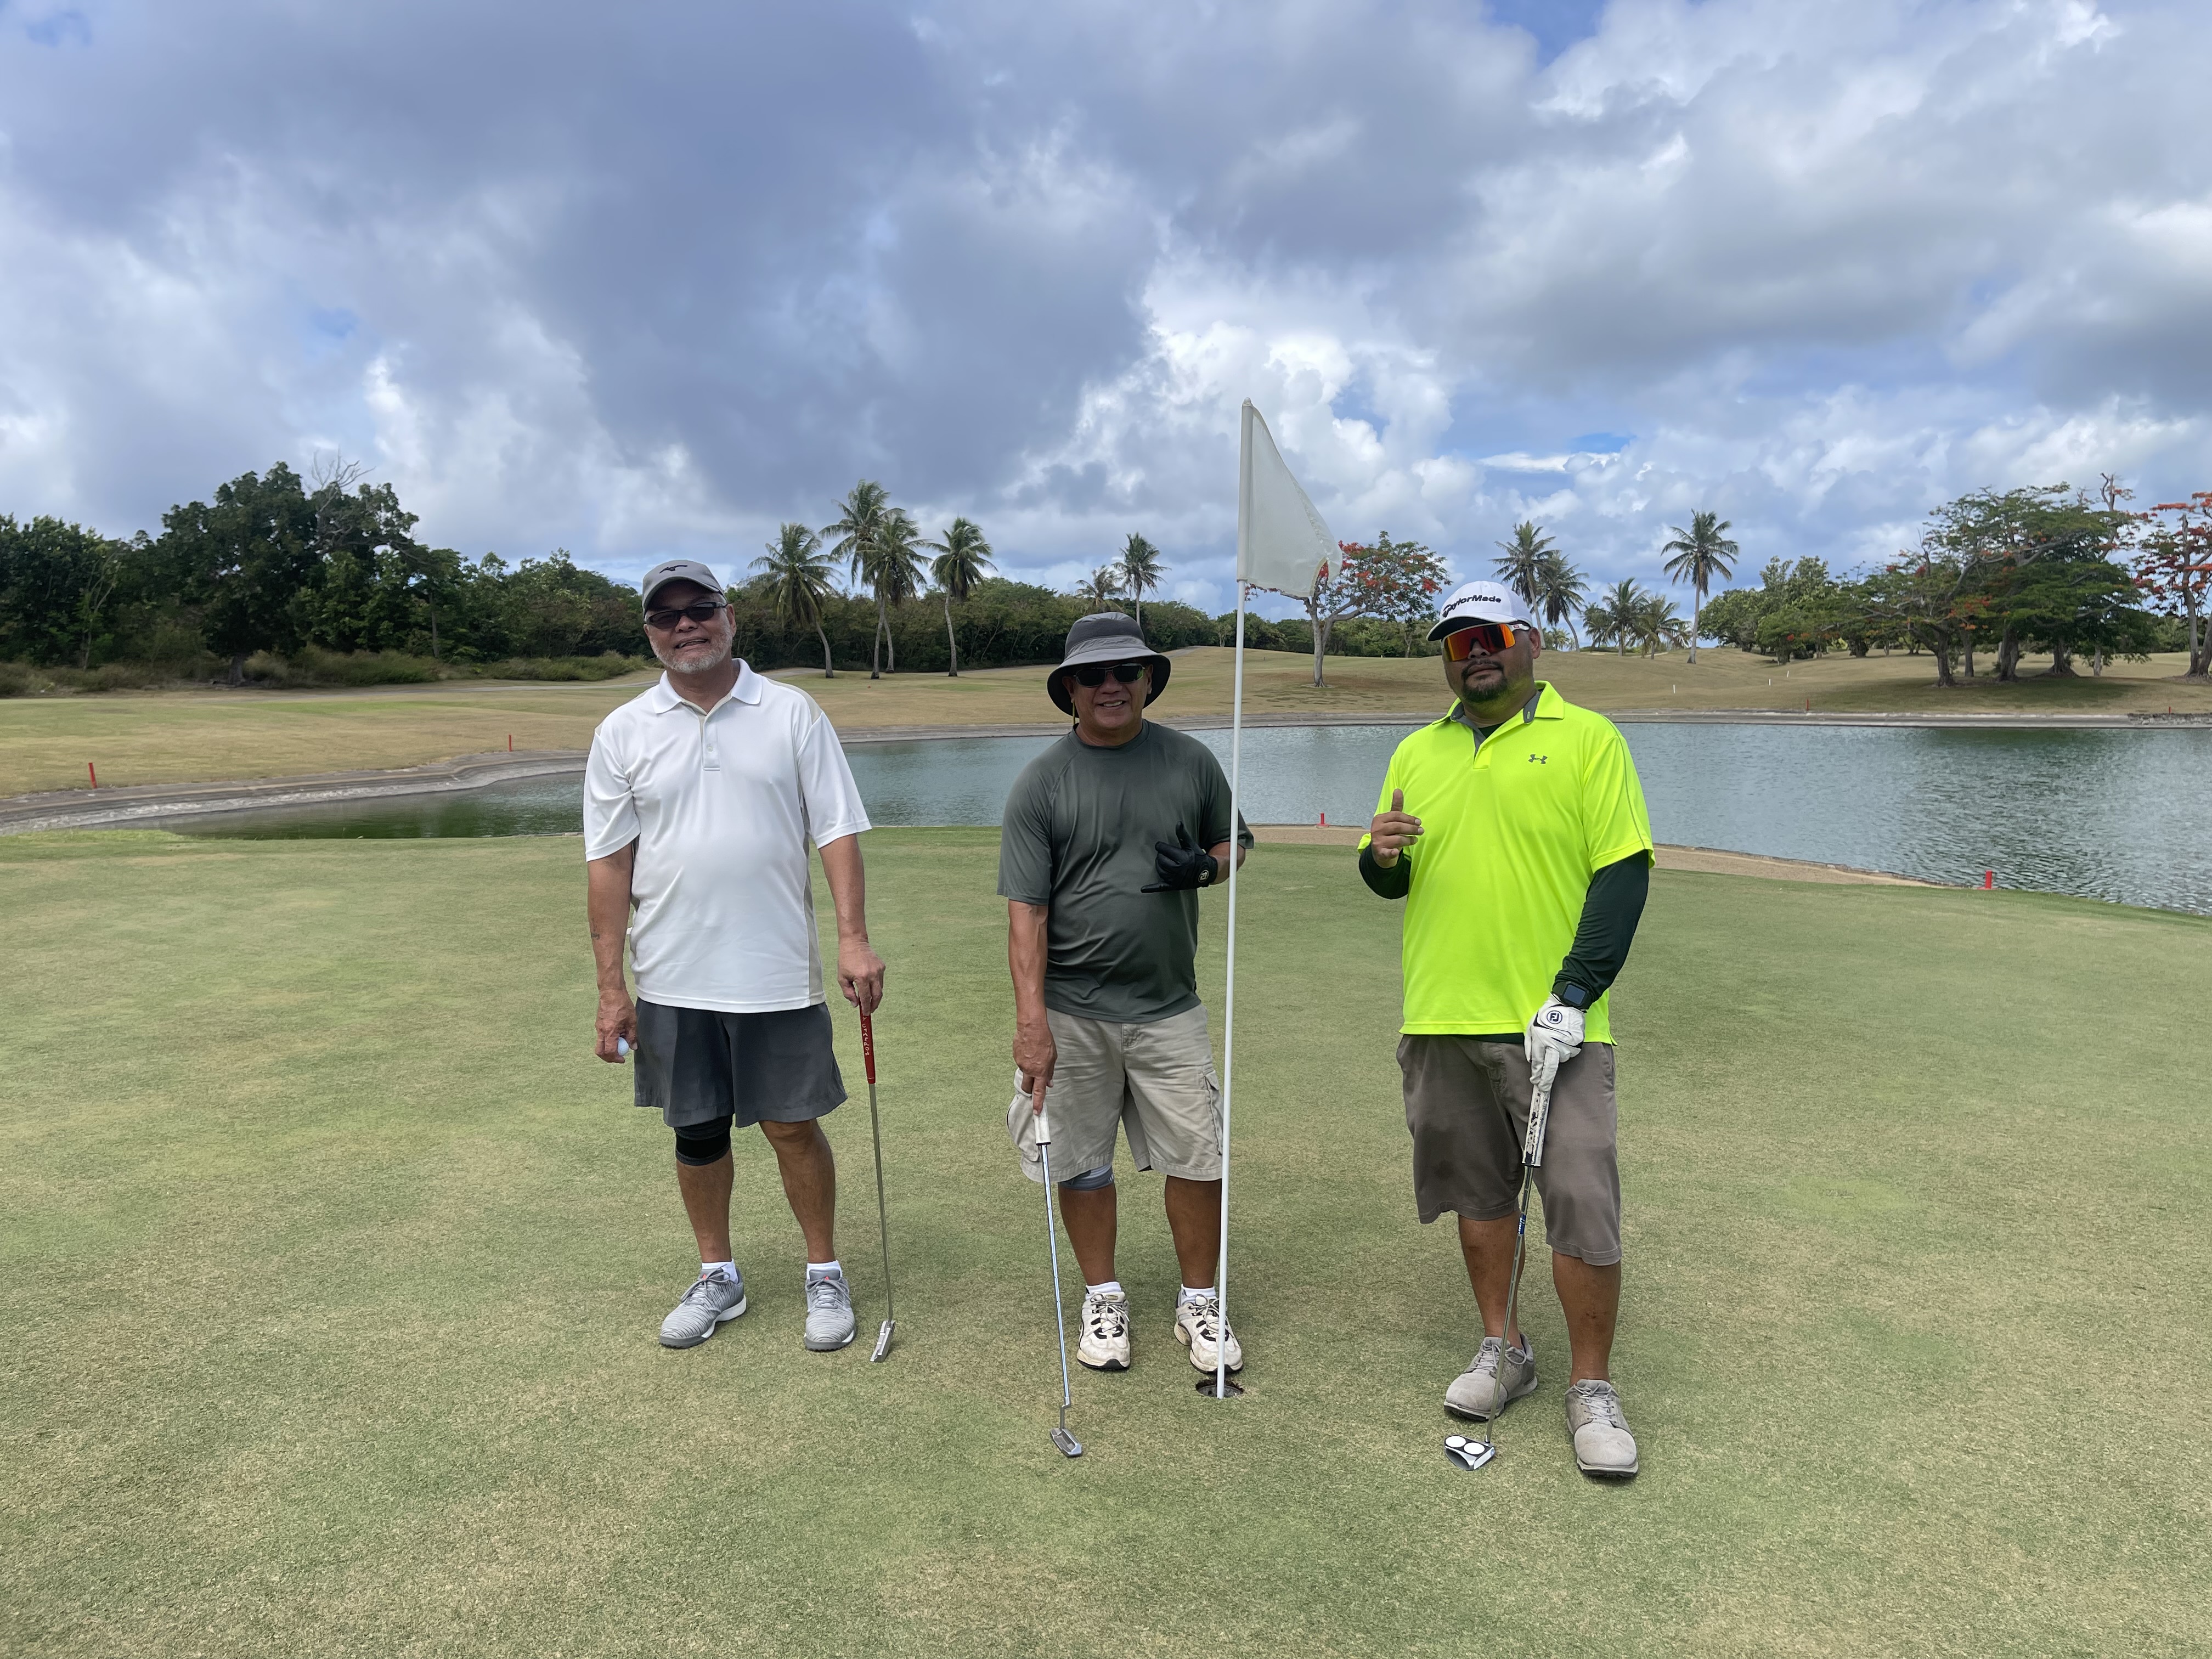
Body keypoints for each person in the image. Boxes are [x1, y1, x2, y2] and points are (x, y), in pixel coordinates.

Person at [1359, 580, 1654, 1478]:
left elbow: (1623, 874)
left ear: (1529, 641)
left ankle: (1592, 1387)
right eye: (1458, 643)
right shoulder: (1417, 748)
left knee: (1581, 1201)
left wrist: (1575, 992)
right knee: (1479, 1198)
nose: (1475, 653)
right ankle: (1506, 1348)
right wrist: (1380, 856)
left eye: (1489, 635)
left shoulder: (1589, 738)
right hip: (1442, 1016)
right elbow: (1391, 878)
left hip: (1556, 1025)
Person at [584, 559, 885, 1353]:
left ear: (730, 617)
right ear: (650, 632)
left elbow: (836, 830)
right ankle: (718, 1274)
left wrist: (853, 938)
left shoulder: (790, 711)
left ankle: (824, 1270)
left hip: (775, 968)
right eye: (667, 615)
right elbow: (610, 865)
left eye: (701, 608)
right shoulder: (624, 730)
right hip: (672, 972)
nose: (686, 625)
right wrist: (612, 990)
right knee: (696, 1132)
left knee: (792, 1126)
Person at [998, 613, 1254, 1378]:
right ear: (1071, 690)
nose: (1110, 686)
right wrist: (1031, 1024)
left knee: (1199, 1158)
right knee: (1081, 1162)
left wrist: (1208, 869)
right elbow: (1026, 914)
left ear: (1148, 680)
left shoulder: (1190, 760)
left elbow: (1233, 842)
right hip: (1072, 1011)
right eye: (1093, 675)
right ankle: (1103, 1296)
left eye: (1126, 672)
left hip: (1170, 1007)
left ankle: (1199, 1300)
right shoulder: (1043, 781)